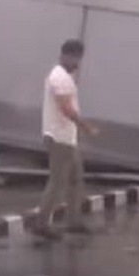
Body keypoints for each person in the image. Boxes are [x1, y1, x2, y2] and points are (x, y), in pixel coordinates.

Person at [32, 40, 98, 240]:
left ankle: (73, 221)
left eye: (78, 57)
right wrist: (86, 127)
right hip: (59, 137)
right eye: (74, 57)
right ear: (64, 55)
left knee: (75, 179)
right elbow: (66, 108)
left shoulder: (65, 76)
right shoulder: (60, 77)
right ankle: (41, 224)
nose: (76, 61)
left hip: (67, 138)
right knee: (58, 182)